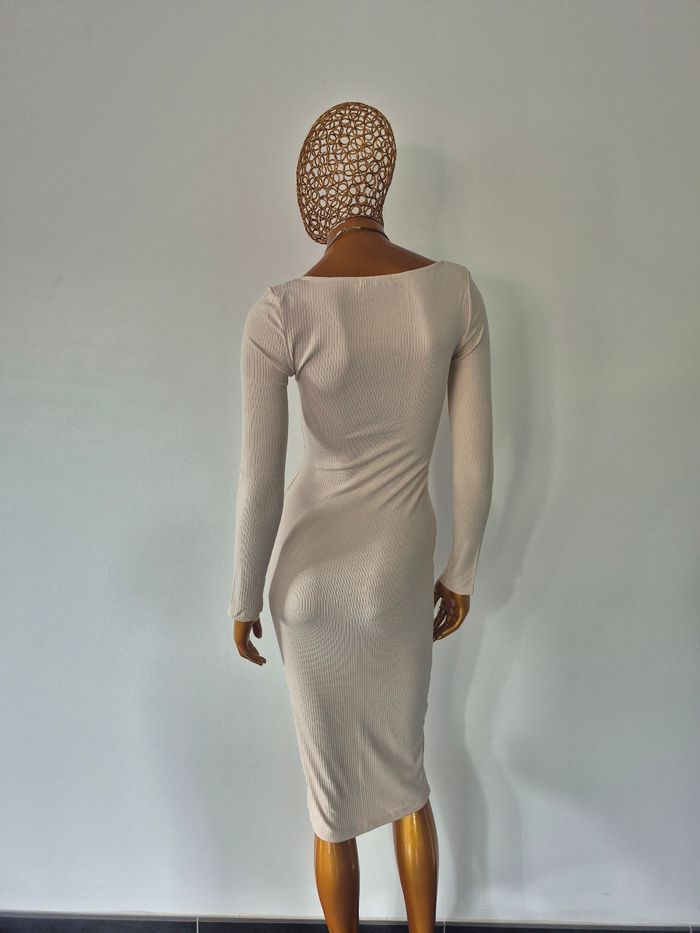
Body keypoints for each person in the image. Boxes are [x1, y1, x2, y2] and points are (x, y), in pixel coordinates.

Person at [228, 102, 494, 931]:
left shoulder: (280, 310)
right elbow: (474, 463)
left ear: (316, 195)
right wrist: (461, 571)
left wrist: (243, 598)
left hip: (303, 588)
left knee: (330, 804)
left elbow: (260, 483)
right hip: (395, 576)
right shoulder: (451, 292)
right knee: (407, 781)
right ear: (383, 182)